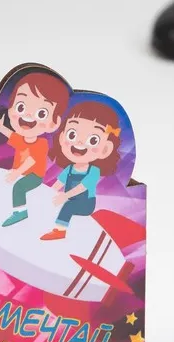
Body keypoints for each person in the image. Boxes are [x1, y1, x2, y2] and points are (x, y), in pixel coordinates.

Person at [0, 72, 70, 227]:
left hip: (34, 176)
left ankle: (20, 212)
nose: (29, 115)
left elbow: (32, 160)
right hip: (19, 172)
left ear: (53, 123)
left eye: (41, 113)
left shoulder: (41, 144)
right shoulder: (21, 139)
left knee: (19, 187)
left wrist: (17, 172)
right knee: (4, 184)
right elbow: (11, 135)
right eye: (21, 107)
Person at [40, 101, 121, 241]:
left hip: (86, 204)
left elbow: (82, 187)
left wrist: (65, 196)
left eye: (93, 140)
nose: (79, 143)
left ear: (105, 149)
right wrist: (48, 194)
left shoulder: (93, 171)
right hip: (69, 198)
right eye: (72, 135)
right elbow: (59, 183)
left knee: (67, 207)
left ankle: (60, 231)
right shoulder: (69, 169)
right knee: (56, 204)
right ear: (62, 138)